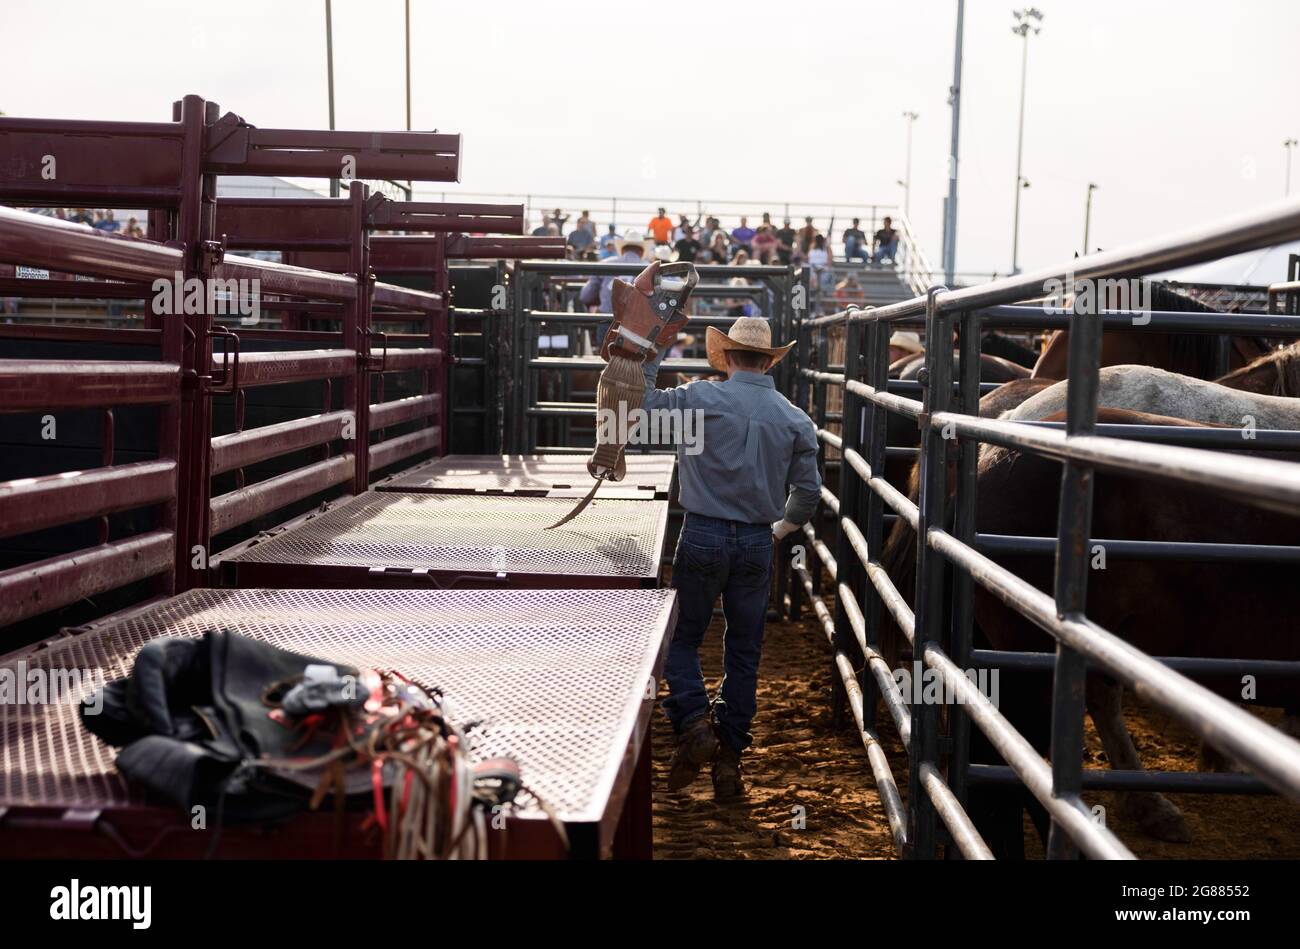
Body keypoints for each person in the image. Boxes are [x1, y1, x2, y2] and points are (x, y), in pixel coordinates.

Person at [631, 261, 820, 800]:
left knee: (683, 639)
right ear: (768, 360)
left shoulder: (702, 399)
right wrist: (781, 529)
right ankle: (730, 759)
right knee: (744, 651)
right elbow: (806, 494)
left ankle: (693, 723)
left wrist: (655, 349)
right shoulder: (794, 419)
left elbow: (642, 410)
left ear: (729, 357)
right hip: (758, 541)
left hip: (704, 533)